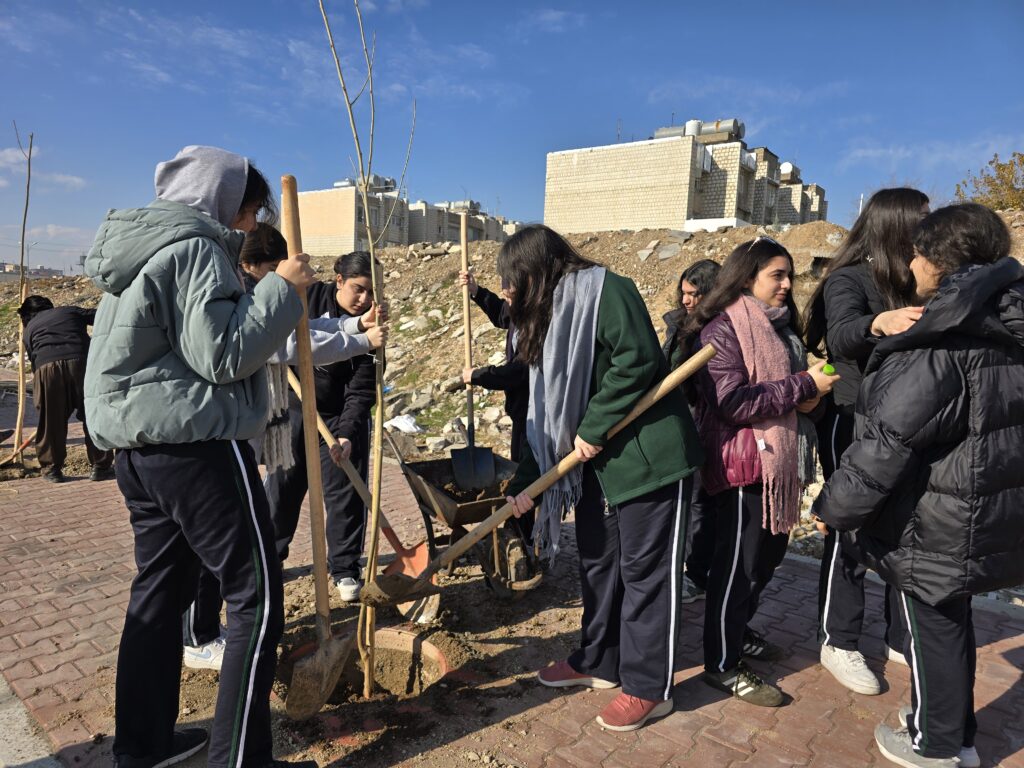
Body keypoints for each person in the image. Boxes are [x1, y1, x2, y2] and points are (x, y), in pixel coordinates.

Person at [84, 145, 318, 768]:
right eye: (249, 214)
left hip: (139, 454)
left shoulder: (135, 257)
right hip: (194, 447)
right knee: (257, 595)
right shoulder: (195, 250)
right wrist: (279, 291)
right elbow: (222, 354)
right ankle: (239, 760)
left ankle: (144, 746)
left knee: (159, 595)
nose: (249, 229)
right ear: (225, 202)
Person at [813, 203, 1024, 768]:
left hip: (937, 511)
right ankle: (957, 734)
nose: (910, 263)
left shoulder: (941, 340)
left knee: (933, 631)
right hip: (983, 503)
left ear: (937, 261)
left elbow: (888, 442)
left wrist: (836, 507)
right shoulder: (1007, 327)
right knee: (951, 623)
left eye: (918, 252)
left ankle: (935, 746)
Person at [501, 224, 703, 732]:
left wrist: (592, 427)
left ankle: (648, 688)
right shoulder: (547, 320)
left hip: (646, 461)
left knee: (646, 577)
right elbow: (545, 413)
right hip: (597, 468)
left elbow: (637, 360)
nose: (508, 292)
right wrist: (525, 485)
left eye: (513, 279)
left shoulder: (609, 290)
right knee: (597, 566)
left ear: (538, 270)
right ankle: (599, 660)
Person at [182, 223, 386, 672]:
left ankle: (342, 569)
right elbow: (288, 342)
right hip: (264, 422)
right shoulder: (238, 294)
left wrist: (354, 328)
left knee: (339, 498)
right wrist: (357, 338)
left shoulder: (255, 290)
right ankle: (202, 631)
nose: (364, 297)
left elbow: (308, 333)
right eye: (274, 271)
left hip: (319, 419)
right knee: (241, 521)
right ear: (254, 266)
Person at [683, 236, 838, 707]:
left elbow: (785, 395)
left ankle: (739, 631)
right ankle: (723, 663)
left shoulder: (779, 330)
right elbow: (731, 402)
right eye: (778, 274)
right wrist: (803, 383)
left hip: (775, 467)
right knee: (736, 568)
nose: (788, 284)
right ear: (747, 277)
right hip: (739, 465)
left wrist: (807, 395)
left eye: (790, 274)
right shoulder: (723, 329)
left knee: (764, 561)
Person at [803, 187, 929, 695]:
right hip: (850, 418)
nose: (927, 228)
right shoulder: (849, 278)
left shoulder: (916, 280)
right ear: (894, 223)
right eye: (920, 220)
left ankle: (899, 636)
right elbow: (840, 337)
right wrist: (879, 321)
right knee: (850, 530)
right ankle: (838, 640)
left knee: (903, 527)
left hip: (903, 423)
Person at [266, 250, 381, 603]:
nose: (365, 301)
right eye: (359, 290)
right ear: (339, 281)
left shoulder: (375, 325)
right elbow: (296, 340)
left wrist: (346, 432)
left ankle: (344, 569)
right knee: (282, 489)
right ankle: (271, 560)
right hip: (295, 409)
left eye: (372, 293)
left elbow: (362, 388)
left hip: (337, 416)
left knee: (345, 492)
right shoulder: (307, 298)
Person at [456, 268, 533, 541]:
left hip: (536, 412)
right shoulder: (518, 312)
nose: (506, 298)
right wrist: (476, 291)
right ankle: (523, 530)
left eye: (510, 293)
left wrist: (478, 375)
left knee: (528, 477)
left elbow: (518, 372)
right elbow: (502, 314)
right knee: (521, 472)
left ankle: (528, 536)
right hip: (522, 412)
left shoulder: (537, 322)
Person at [662, 259, 721, 603]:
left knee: (701, 502)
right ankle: (686, 567)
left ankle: (696, 574)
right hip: (679, 418)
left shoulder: (718, 329)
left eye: (693, 294)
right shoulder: (679, 324)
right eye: (682, 293)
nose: (685, 300)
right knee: (686, 501)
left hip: (704, 421)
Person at [17, 295, 113, 482]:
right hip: (83, 364)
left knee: (50, 421)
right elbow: (103, 315)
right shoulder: (69, 311)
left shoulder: (29, 331)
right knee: (93, 415)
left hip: (47, 369)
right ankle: (101, 467)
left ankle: (52, 470)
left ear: (28, 316)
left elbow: (35, 362)